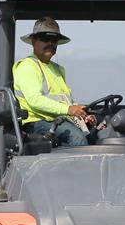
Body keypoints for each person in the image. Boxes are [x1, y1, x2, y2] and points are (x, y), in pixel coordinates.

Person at [12, 18, 96, 147]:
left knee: (96, 135)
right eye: (45, 39)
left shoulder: (57, 69)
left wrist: (81, 113)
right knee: (77, 139)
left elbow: (65, 101)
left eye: (54, 40)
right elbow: (34, 100)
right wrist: (69, 109)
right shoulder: (27, 66)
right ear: (34, 41)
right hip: (37, 122)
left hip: (59, 119)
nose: (50, 43)